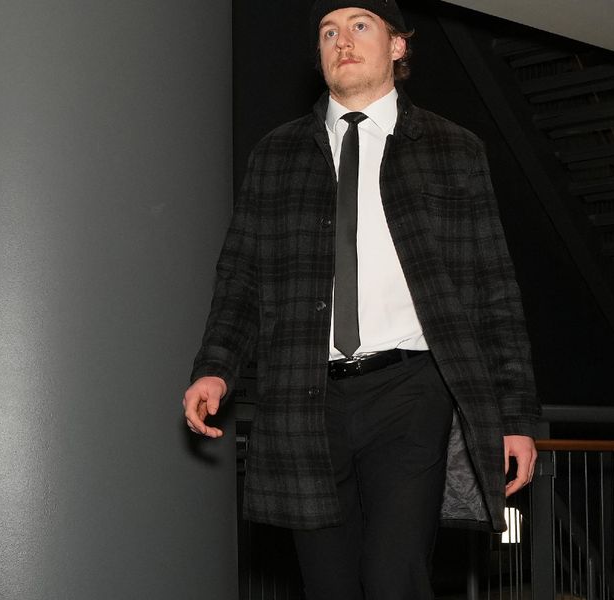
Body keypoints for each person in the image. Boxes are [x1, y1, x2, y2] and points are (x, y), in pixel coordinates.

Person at [183, 1, 541, 597]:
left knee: (394, 574)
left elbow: (494, 288)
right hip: (304, 395)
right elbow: (241, 274)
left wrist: (516, 418)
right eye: (328, 32)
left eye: (359, 26)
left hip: (412, 389)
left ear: (398, 46)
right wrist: (215, 367)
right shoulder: (277, 155)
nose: (341, 41)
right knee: (329, 583)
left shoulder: (453, 150)